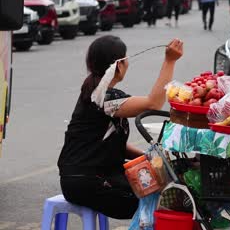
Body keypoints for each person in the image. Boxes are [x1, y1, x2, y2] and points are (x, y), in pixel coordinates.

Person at [58, 36, 183, 219]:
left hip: (93, 175)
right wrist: (170, 60)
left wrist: (149, 158)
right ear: (118, 65)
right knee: (161, 199)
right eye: (125, 59)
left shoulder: (100, 93)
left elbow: (110, 145)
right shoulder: (102, 97)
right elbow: (153, 104)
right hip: (87, 182)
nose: (128, 63)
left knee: (158, 179)